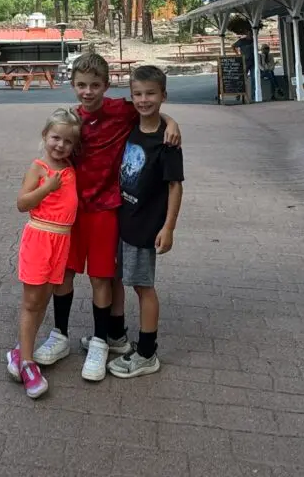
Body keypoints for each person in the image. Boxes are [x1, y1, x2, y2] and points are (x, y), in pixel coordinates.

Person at [33, 52, 182, 381]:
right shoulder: (72, 120)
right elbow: (53, 145)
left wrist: (172, 122)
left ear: (107, 85)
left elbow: (150, 110)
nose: (88, 92)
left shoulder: (120, 110)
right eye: (82, 85)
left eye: (95, 85)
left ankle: (102, 341)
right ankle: (60, 335)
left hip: (106, 209)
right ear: (72, 85)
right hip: (72, 210)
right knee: (65, 274)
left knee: (102, 277)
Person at [108, 65, 183, 378]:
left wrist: (168, 227)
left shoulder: (168, 143)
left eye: (151, 93)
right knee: (114, 277)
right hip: (122, 218)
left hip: (145, 226)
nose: (143, 99)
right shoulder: (130, 126)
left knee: (142, 286)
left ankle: (147, 352)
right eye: (137, 93)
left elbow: (175, 185)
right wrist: (170, 118)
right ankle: (116, 336)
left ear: (163, 95)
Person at [7, 108, 81, 399]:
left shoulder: (70, 168)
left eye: (67, 141)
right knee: (32, 301)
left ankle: (20, 351)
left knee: (44, 299)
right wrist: (47, 188)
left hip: (62, 241)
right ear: (44, 136)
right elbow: (22, 203)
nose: (60, 145)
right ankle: (27, 363)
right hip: (40, 237)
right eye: (55, 138)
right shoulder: (39, 168)